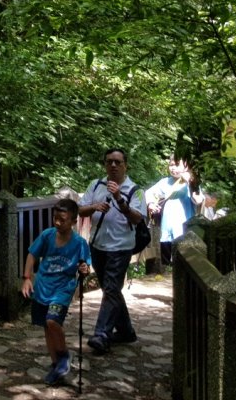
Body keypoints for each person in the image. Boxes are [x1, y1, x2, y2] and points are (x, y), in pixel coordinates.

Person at [79, 147, 147, 355]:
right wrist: (95, 207)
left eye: (118, 162)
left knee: (110, 289)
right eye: (109, 161)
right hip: (98, 245)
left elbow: (137, 218)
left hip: (121, 247)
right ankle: (126, 332)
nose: (113, 165)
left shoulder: (135, 190)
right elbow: (80, 209)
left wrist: (118, 198)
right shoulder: (96, 185)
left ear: (126, 165)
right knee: (112, 289)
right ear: (105, 164)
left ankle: (101, 334)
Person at [22, 197, 91, 385]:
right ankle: (56, 365)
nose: (58, 223)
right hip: (43, 286)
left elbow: (85, 265)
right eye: (55, 218)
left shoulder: (79, 243)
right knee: (46, 325)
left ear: (74, 221)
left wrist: (84, 269)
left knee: (52, 321)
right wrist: (27, 278)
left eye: (63, 219)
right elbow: (32, 254)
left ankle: (63, 355)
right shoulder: (47, 235)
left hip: (63, 288)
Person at [145, 157, 193, 266]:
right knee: (167, 262)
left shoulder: (191, 182)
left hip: (184, 228)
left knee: (183, 262)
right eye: (171, 165)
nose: (173, 168)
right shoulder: (164, 182)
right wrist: (151, 204)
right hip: (166, 229)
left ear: (186, 166)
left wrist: (190, 182)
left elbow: (198, 199)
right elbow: (149, 193)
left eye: (177, 165)